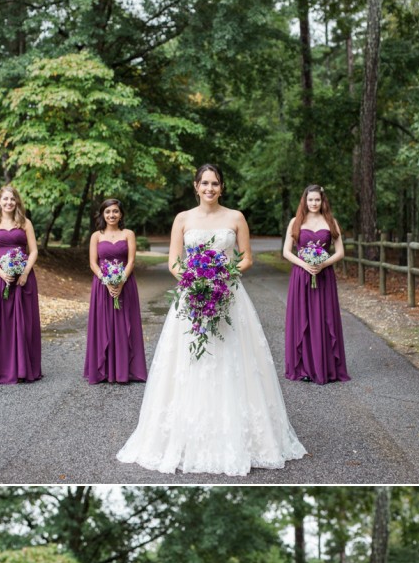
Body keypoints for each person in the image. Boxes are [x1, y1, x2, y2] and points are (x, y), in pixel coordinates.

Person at [117, 164, 306, 476]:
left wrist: (223, 273)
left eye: (215, 183)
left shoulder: (235, 218)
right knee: (190, 362)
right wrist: (193, 280)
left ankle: (241, 436)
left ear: (222, 187)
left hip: (229, 295)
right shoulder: (183, 219)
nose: (209, 188)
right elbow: (174, 262)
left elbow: (246, 257)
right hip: (192, 295)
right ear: (195, 186)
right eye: (204, 183)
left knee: (232, 360)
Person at [283, 185, 350, 384]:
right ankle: (303, 367)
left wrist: (322, 264)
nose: (314, 203)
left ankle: (326, 367)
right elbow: (286, 252)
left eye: (317, 200)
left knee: (324, 317)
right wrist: (305, 264)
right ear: (305, 200)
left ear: (322, 201)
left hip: (324, 275)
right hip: (301, 276)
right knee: (303, 317)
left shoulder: (331, 222)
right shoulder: (296, 222)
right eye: (310, 200)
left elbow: (340, 252)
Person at [0, 185, 42, 385]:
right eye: (5, 199)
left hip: (23, 278)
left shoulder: (25, 223)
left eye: (12, 199)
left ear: (17, 202)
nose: (9, 202)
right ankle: (1, 369)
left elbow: (33, 251)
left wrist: (24, 272)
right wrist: (1, 273)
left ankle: (24, 368)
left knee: (23, 322)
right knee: (0, 321)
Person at [84, 198, 148, 384]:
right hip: (102, 286)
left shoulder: (128, 234)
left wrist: (120, 281)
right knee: (103, 324)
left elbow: (131, 261)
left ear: (121, 214)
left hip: (125, 284)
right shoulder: (96, 236)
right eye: (108, 212)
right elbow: (92, 263)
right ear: (103, 215)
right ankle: (103, 370)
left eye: (115, 211)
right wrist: (105, 280)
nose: (112, 215)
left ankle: (125, 370)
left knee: (124, 323)